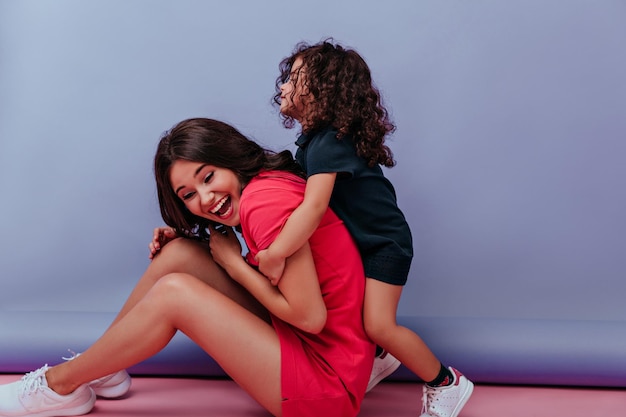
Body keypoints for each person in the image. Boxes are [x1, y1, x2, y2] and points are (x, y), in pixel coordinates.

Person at [0, 118, 374, 417]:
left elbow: (309, 317)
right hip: (316, 349)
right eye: (189, 195)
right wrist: (196, 243)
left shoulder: (264, 206)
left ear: (229, 157)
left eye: (208, 177)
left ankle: (58, 386)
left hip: (325, 388)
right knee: (180, 254)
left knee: (174, 294)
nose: (206, 199)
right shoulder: (265, 186)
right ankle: (101, 367)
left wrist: (232, 264)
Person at [253, 39, 474, 417]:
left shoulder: (328, 145)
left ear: (321, 89)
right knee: (354, 317)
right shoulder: (313, 143)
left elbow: (313, 207)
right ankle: (379, 358)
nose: (283, 86)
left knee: (378, 324)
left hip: (383, 245)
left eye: (294, 78)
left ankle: (445, 383)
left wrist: (276, 253)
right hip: (359, 243)